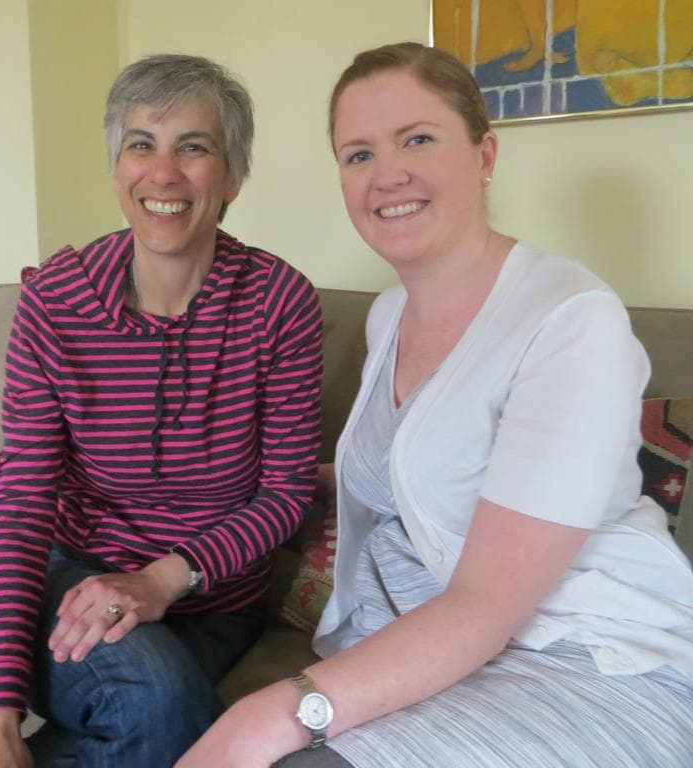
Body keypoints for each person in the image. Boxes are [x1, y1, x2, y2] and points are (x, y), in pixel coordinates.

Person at [174, 42, 693, 768]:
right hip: (444, 646)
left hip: (590, 659)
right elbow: (415, 466)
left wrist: (270, 715)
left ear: (484, 155)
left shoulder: (571, 321)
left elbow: (487, 602)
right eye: (358, 154)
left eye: (416, 138)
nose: (387, 174)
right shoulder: (390, 316)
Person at [0, 53, 322, 768]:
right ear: (117, 167)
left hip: (213, 597)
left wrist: (163, 579)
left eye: (195, 146)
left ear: (234, 175)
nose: (165, 174)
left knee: (157, 708)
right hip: (78, 571)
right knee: (159, 703)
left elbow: (284, 493)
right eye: (141, 144)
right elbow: (22, 503)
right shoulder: (55, 302)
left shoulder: (280, 302)